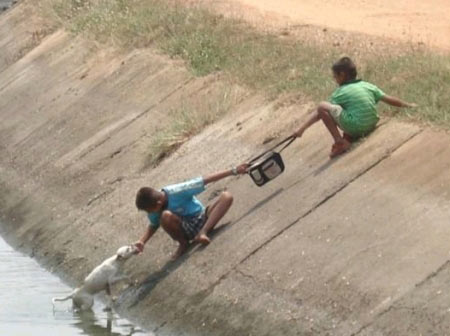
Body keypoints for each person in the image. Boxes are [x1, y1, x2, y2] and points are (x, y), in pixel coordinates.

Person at [293, 57, 417, 158]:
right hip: (371, 124)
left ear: (341, 75)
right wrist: (408, 105)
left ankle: (339, 142)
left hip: (356, 126)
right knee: (348, 113)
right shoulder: (368, 85)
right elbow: (388, 99)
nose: (334, 79)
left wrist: (301, 129)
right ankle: (346, 139)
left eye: (335, 76)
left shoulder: (341, 92)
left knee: (322, 106)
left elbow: (322, 112)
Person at [134, 163, 248, 259]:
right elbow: (153, 225)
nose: (150, 214)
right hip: (184, 229)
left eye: (149, 211)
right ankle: (183, 244)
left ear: (158, 203)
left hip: (203, 217)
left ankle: (203, 232)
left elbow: (205, 180)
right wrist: (142, 241)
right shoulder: (154, 207)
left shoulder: (177, 191)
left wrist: (234, 171)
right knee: (165, 216)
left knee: (227, 196)